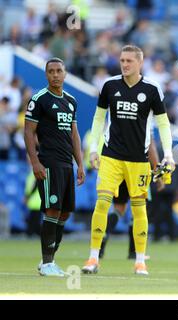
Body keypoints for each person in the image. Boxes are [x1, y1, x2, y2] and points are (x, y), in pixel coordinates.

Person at [81, 45, 174, 276]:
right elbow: (98, 118)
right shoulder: (110, 85)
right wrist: (94, 148)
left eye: (129, 61)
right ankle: (93, 258)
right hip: (111, 156)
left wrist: (169, 154)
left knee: (139, 209)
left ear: (140, 63)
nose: (124, 64)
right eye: (122, 60)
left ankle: (140, 261)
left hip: (138, 160)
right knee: (102, 204)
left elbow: (162, 123)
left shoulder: (152, 89)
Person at [24, 57, 85, 276]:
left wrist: (80, 163)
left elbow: (74, 134)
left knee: (65, 213)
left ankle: (48, 261)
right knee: (52, 210)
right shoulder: (39, 99)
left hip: (66, 164)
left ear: (65, 73)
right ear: (46, 74)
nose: (55, 75)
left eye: (59, 70)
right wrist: (35, 162)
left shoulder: (70, 100)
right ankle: (47, 263)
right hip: (48, 162)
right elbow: (29, 131)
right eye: (51, 71)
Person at [99, 137, 163, 259]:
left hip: (118, 166)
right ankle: (134, 251)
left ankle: (101, 243)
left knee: (118, 209)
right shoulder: (144, 119)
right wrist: (157, 172)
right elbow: (150, 146)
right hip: (138, 168)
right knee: (139, 209)